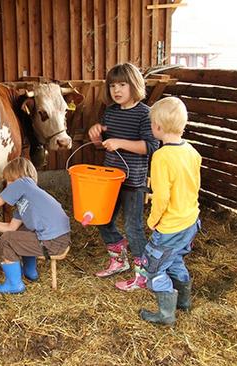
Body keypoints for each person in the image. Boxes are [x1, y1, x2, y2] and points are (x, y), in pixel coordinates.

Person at [88, 63, 159, 291]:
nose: (116, 90)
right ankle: (119, 259)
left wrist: (120, 143)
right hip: (110, 180)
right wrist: (97, 137)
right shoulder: (111, 112)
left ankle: (142, 273)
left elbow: (150, 146)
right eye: (112, 86)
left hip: (133, 181)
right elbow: (105, 146)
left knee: (133, 226)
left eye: (122, 84)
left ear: (135, 85)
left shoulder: (144, 114)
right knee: (102, 219)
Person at [139, 97, 201, 325]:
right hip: (190, 220)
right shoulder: (191, 151)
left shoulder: (162, 156)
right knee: (175, 259)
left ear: (157, 127)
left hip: (171, 225)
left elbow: (162, 197)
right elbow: (193, 185)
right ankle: (184, 302)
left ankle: (166, 315)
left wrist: (153, 220)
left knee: (153, 269)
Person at [0, 157, 70, 294]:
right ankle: (30, 272)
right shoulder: (26, 202)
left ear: (16, 175)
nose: (7, 185)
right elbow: (10, 227)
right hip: (60, 240)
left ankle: (14, 284)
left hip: (53, 242)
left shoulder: (21, 184)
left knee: (7, 240)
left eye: (8, 180)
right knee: (21, 231)